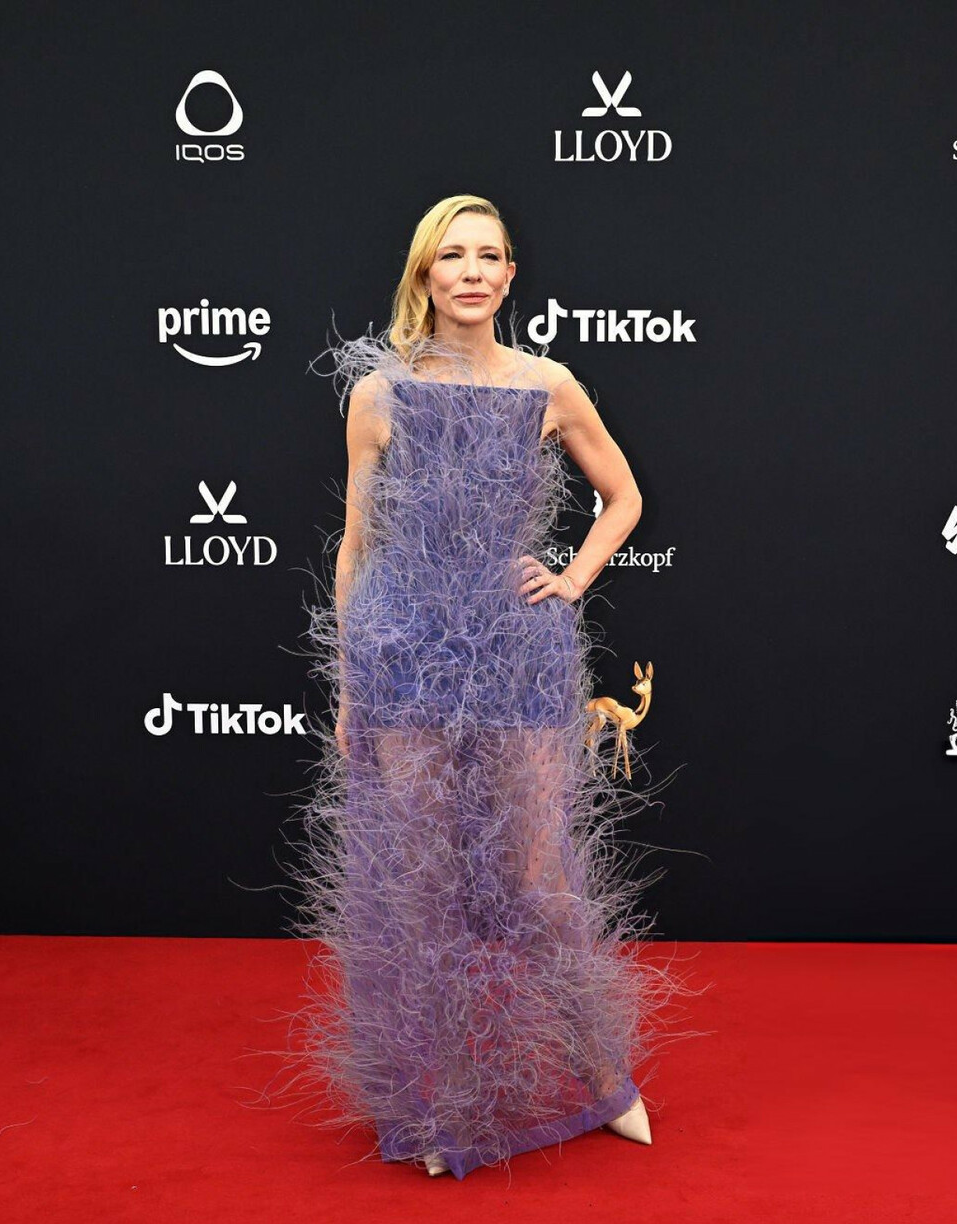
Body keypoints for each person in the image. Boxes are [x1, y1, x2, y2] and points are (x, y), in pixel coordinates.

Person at [283, 194, 676, 1180]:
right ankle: (442, 1105)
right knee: (420, 887)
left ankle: (604, 1079)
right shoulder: (378, 394)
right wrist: (350, 684)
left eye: (488, 256)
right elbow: (357, 547)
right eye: (451, 255)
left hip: (518, 655)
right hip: (403, 651)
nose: (470, 271)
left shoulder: (548, 384)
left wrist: (573, 577)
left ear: (509, 276)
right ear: (424, 273)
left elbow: (624, 495)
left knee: (538, 880)